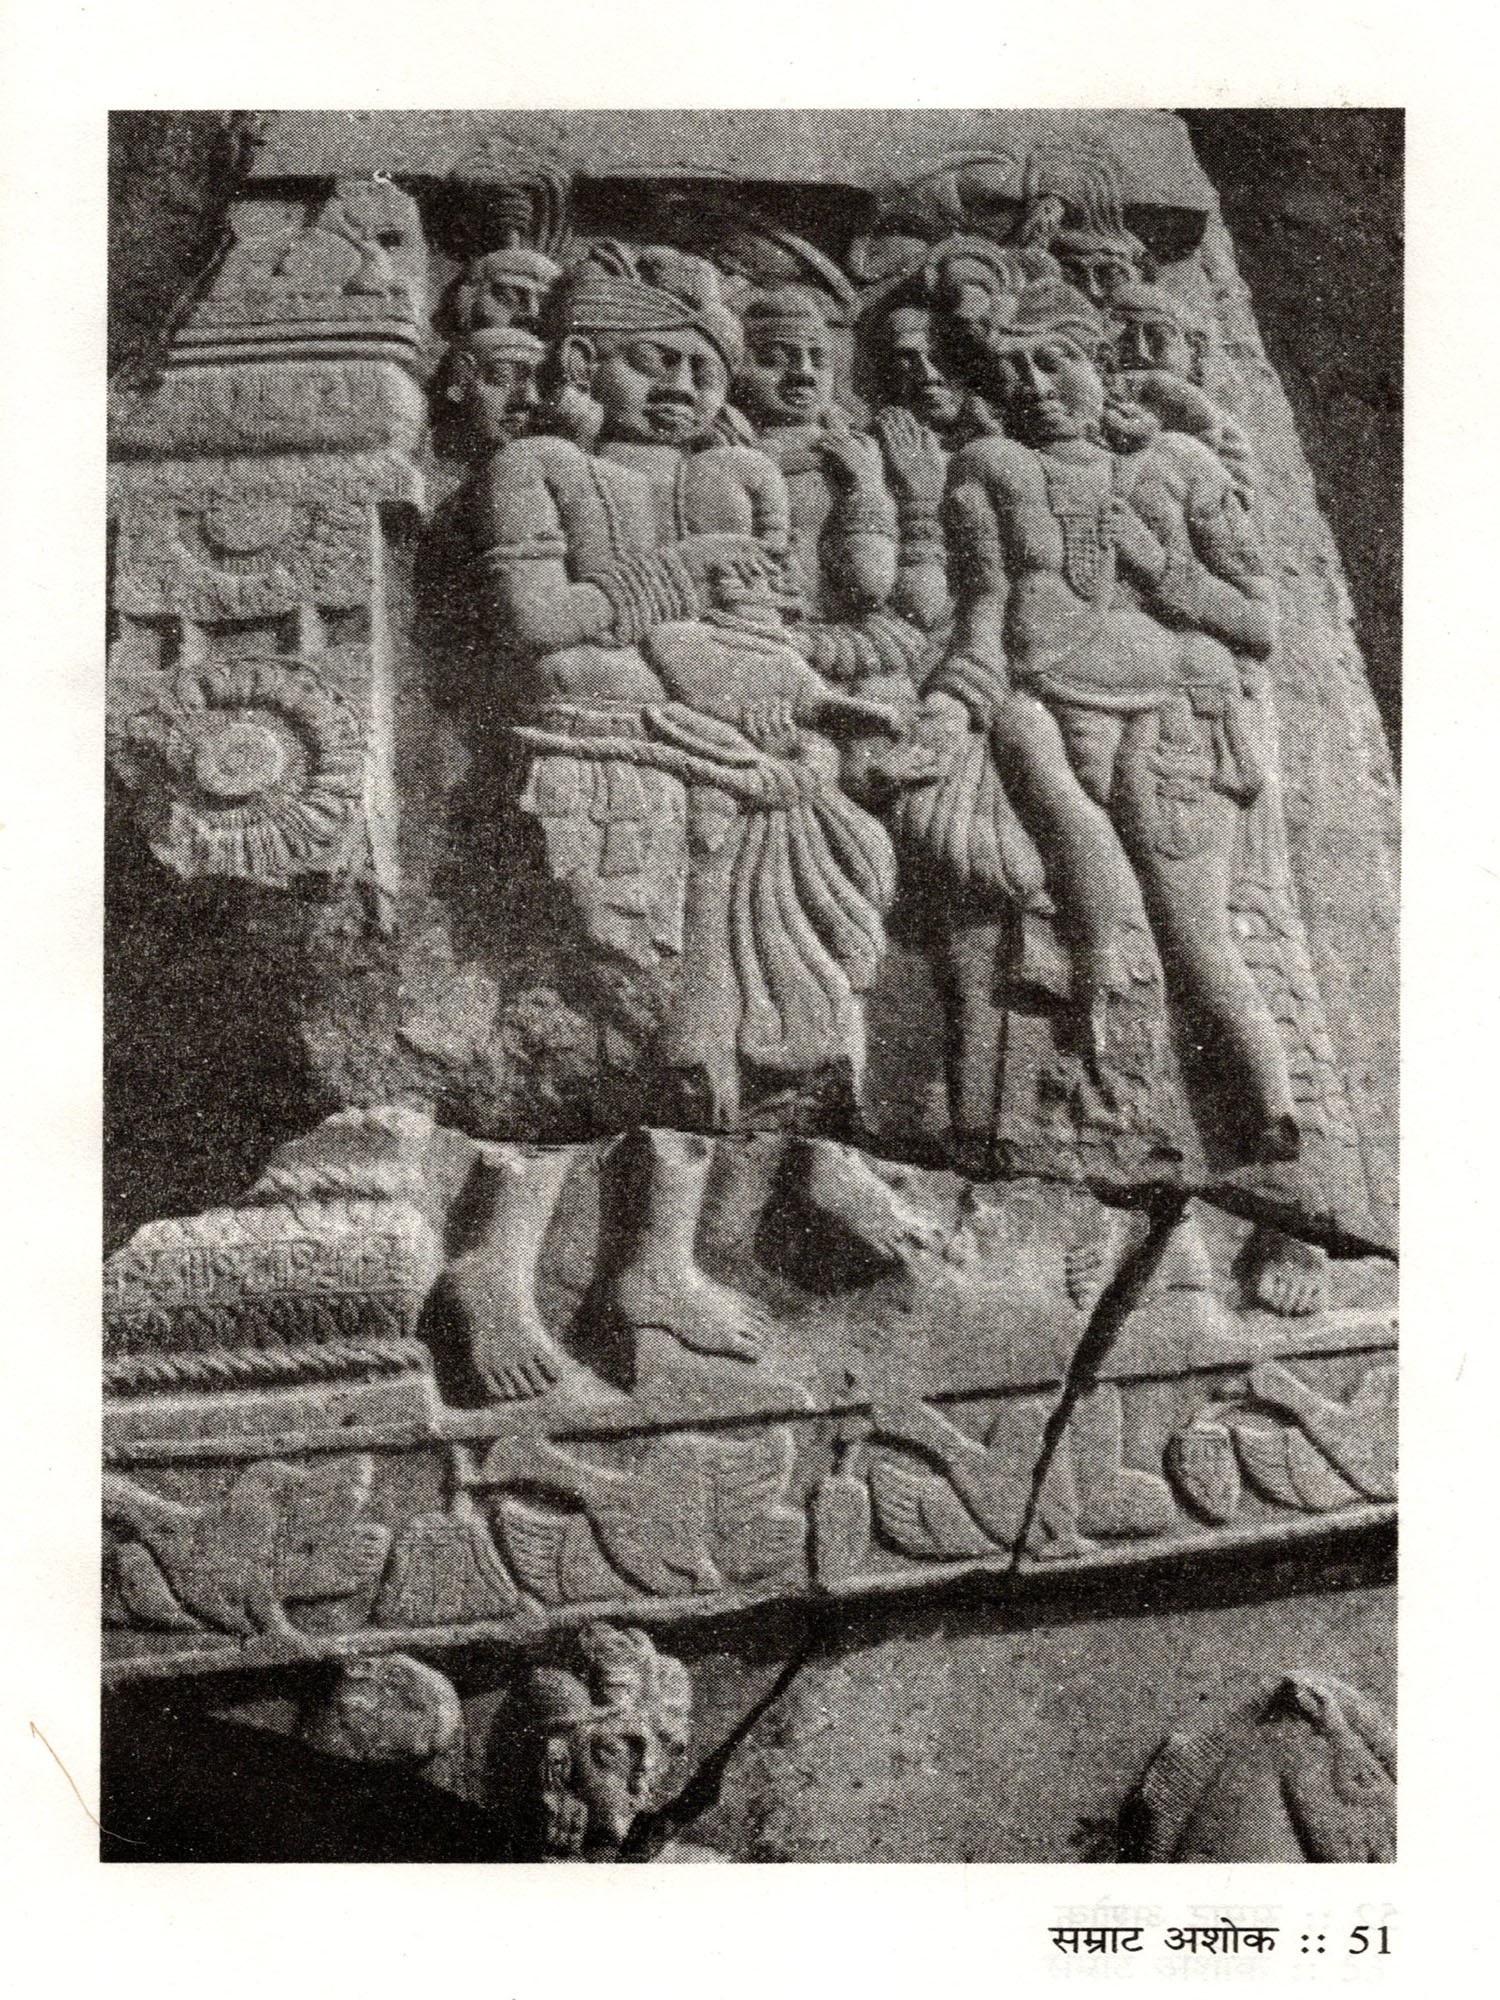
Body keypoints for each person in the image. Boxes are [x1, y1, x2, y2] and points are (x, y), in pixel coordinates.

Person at [918, 278, 1306, 1178]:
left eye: (1054, 363)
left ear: (1100, 364)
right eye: (1014, 372)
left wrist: (1165, 570)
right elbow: (984, 610)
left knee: (1194, 933)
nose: (1035, 388)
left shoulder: (1176, 465)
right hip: (1042, 711)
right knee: (1073, 913)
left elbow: (1259, 621)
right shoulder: (990, 467)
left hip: (1173, 717)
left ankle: (1273, 1124)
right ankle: (1097, 1117)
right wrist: (948, 706)